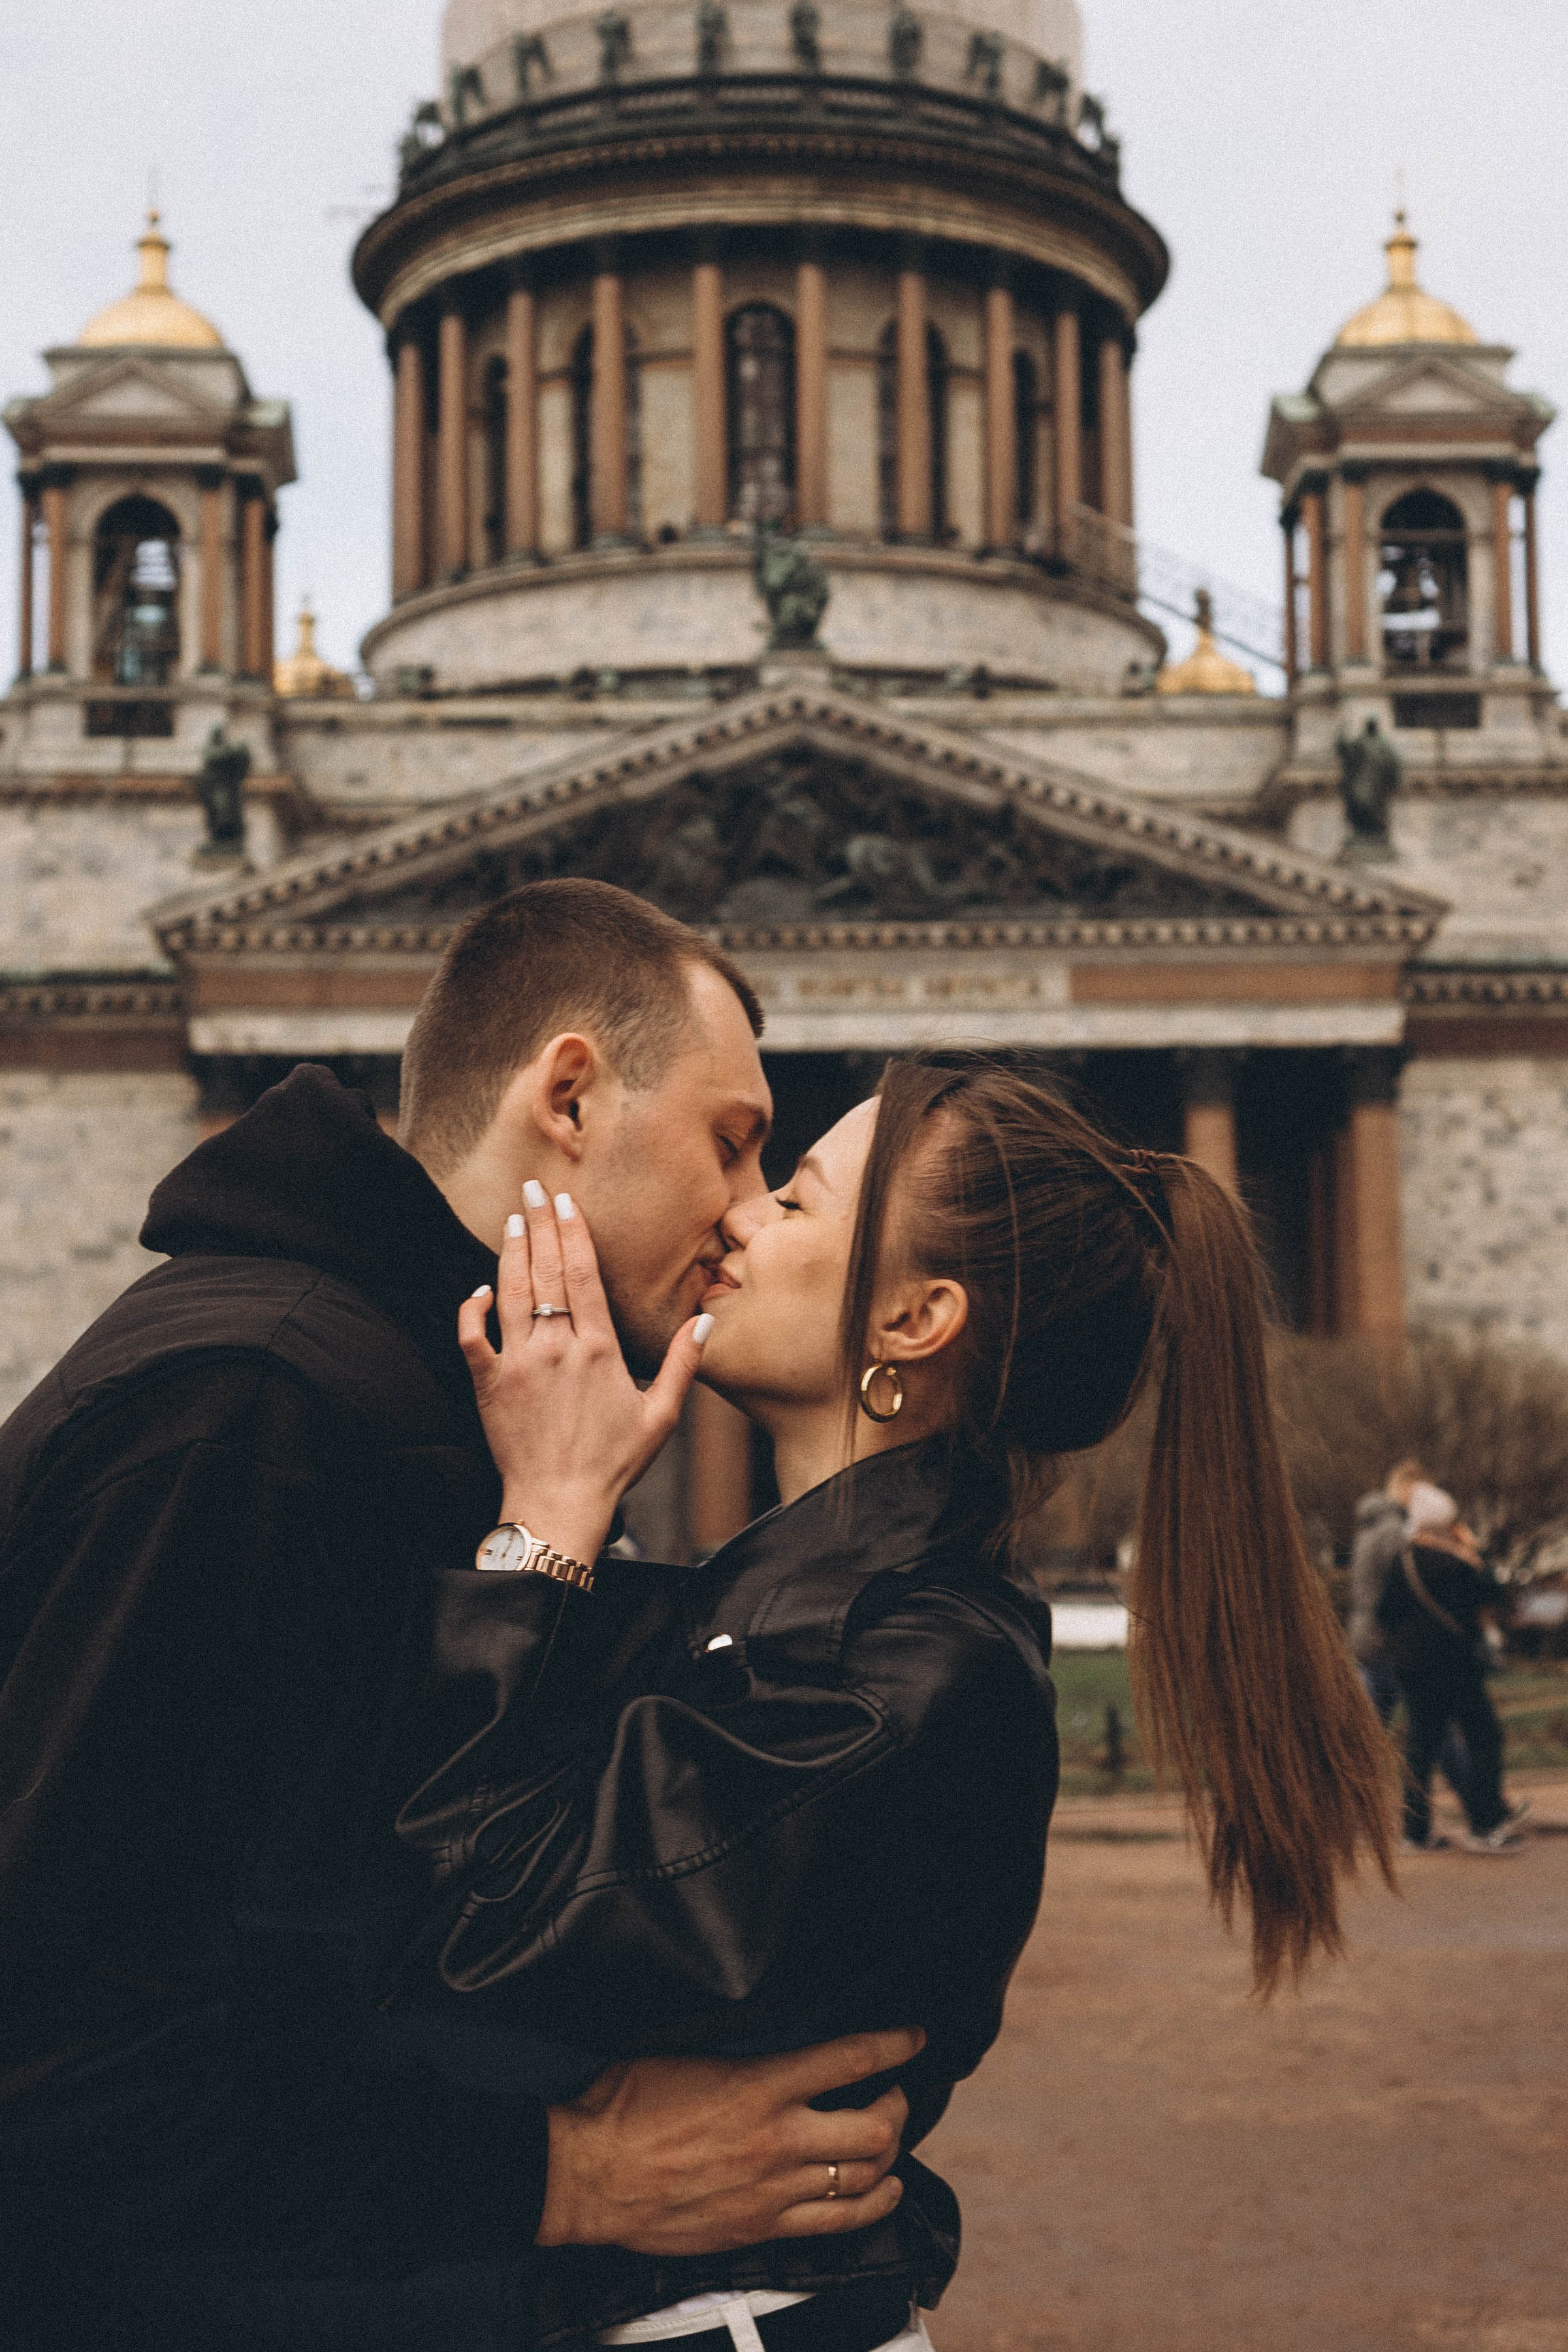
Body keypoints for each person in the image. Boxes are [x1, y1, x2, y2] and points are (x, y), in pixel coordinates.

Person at [0, 881, 919, 2351]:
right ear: (569, 1094)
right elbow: (59, 2071)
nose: (746, 1215)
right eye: (731, 1143)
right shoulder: (245, 1412)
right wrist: (572, 2172)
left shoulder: (419, 1401)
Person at [385, 1052, 1395, 2352]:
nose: (736, 1217)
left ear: (912, 1321)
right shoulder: (803, 1617)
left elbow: (473, 1934)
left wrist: (546, 1525)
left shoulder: (900, 1681)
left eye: (794, 1200)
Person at [1377, 1482, 1526, 1857]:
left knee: (1422, 1746)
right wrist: (1474, 1553)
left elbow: (1384, 1614)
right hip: (1455, 1665)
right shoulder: (1458, 1562)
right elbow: (1494, 1597)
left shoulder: (1404, 1560)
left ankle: (1415, 1830)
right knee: (1484, 1737)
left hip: (1412, 1666)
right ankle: (1486, 1823)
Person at [1349, 1458, 1473, 1816]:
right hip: (1392, 1643)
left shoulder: (1372, 1527)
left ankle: (1347, 1812)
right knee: (1434, 1729)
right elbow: (1406, 1586)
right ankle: (1482, 1807)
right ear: (1408, 1489)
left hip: (1371, 1641)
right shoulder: (1395, 1531)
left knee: (1375, 1735)